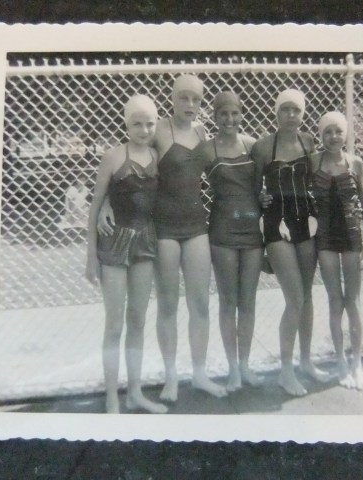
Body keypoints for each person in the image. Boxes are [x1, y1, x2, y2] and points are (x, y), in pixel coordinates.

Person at [98, 75, 226, 401]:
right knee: (168, 305)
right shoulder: (157, 131)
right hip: (164, 228)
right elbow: (128, 168)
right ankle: (171, 379)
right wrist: (108, 203)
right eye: (184, 97)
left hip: (196, 226)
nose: (190, 105)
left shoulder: (202, 132)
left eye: (196, 99)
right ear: (172, 98)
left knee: (200, 303)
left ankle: (199, 374)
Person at [85, 94, 167, 414]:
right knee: (115, 324)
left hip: (145, 241)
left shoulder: (157, 156)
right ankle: (111, 397)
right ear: (126, 124)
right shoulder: (113, 156)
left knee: (138, 320)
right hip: (114, 242)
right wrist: (91, 257)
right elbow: (95, 205)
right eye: (137, 123)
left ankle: (135, 392)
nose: (144, 130)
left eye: (149, 124)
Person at [251, 88, 329, 396]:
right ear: (276, 112)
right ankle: (285, 371)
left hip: (305, 222)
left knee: (306, 297)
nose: (291, 115)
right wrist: (260, 199)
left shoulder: (308, 142)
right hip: (276, 225)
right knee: (294, 298)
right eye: (285, 109)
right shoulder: (262, 147)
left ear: (303, 113)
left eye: (296, 110)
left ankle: (306, 362)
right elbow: (252, 192)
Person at [195, 91, 263, 392]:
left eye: (235, 113)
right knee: (228, 301)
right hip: (222, 230)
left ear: (241, 114)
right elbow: (181, 179)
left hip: (252, 230)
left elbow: (264, 184)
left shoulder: (253, 146)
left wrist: (265, 199)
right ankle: (232, 368)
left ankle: (245, 365)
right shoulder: (206, 150)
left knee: (248, 300)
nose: (230, 119)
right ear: (215, 116)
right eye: (223, 113)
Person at [310, 112, 363, 390]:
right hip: (324, 238)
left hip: (351, 235)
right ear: (321, 136)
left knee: (353, 302)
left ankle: (357, 363)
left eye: (338, 131)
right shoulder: (314, 162)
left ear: (345, 134)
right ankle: (341, 362)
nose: (333, 137)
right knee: (335, 301)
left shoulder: (355, 163)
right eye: (328, 132)